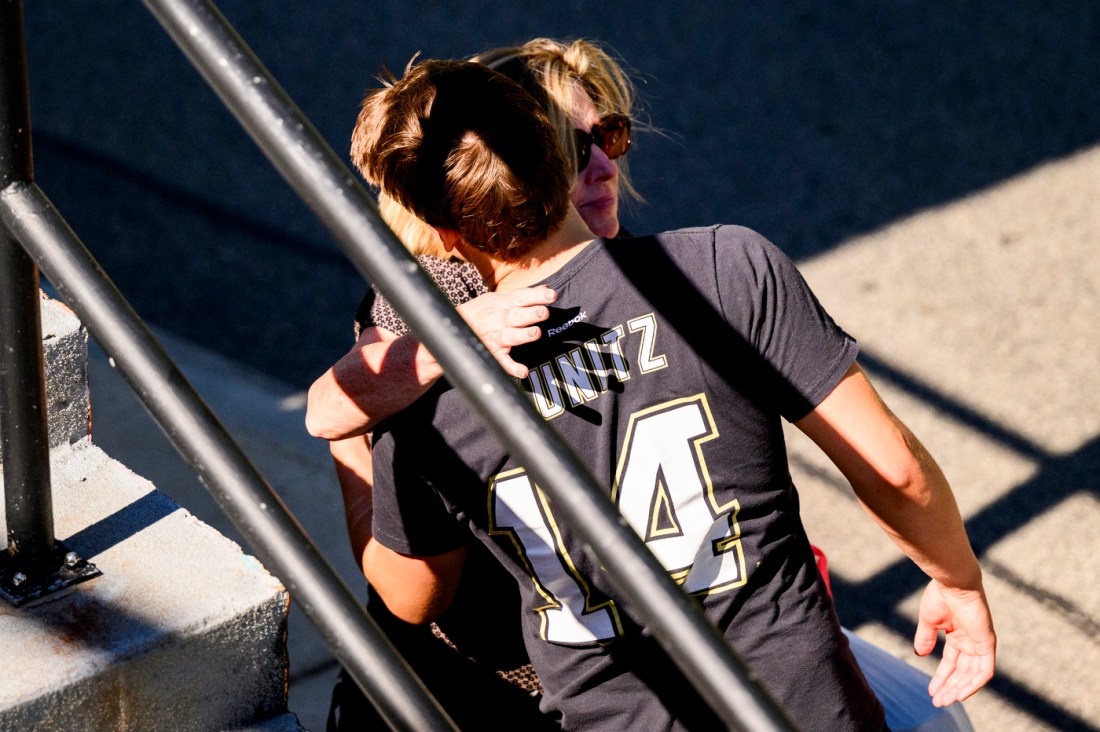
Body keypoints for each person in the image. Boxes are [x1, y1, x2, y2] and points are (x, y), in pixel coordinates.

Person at [344, 58, 997, 731]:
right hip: (801, 707)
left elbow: (411, 595)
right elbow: (895, 470)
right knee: (935, 718)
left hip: (624, 717)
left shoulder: (430, 388)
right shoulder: (724, 268)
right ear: (551, 155)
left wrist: (355, 456)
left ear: (444, 230)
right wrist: (957, 581)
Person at [312, 39, 644, 730]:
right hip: (473, 685)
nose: (606, 166)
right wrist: (452, 342)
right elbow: (328, 409)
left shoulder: (640, 272)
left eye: (609, 136)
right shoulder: (442, 290)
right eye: (573, 150)